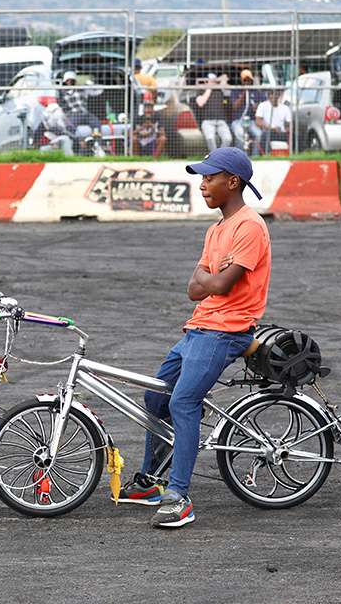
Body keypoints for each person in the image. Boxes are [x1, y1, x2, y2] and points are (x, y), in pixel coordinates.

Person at [118, 147, 271, 528]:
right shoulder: (216, 229)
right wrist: (210, 280)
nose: (201, 185)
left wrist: (211, 280)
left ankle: (178, 496)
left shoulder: (249, 227)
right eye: (201, 178)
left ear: (232, 182)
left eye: (208, 178)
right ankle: (150, 482)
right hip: (199, 326)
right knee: (155, 396)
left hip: (226, 330)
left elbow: (218, 283)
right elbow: (194, 289)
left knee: (184, 403)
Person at [194, 72, 232, 152]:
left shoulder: (219, 90)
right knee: (210, 138)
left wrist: (216, 81)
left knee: (228, 139)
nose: (213, 83)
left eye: (214, 81)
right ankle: (213, 156)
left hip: (221, 121)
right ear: (206, 82)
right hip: (208, 121)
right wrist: (209, 89)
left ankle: (220, 155)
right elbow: (201, 103)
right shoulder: (201, 91)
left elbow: (225, 76)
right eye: (210, 81)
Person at [58, 70, 103, 136]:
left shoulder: (82, 89)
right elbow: (61, 106)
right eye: (68, 80)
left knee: (96, 122)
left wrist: (104, 86)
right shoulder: (62, 93)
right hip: (73, 115)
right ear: (65, 81)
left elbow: (97, 91)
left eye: (72, 80)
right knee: (70, 128)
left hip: (85, 113)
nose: (70, 82)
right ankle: (72, 142)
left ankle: (98, 143)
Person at [230, 69, 265, 151]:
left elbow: (265, 102)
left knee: (258, 133)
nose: (247, 82)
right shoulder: (236, 90)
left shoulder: (256, 91)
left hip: (251, 120)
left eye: (248, 80)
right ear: (241, 80)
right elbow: (235, 106)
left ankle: (255, 156)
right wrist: (244, 93)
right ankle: (241, 155)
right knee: (239, 134)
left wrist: (258, 106)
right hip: (238, 120)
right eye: (245, 80)